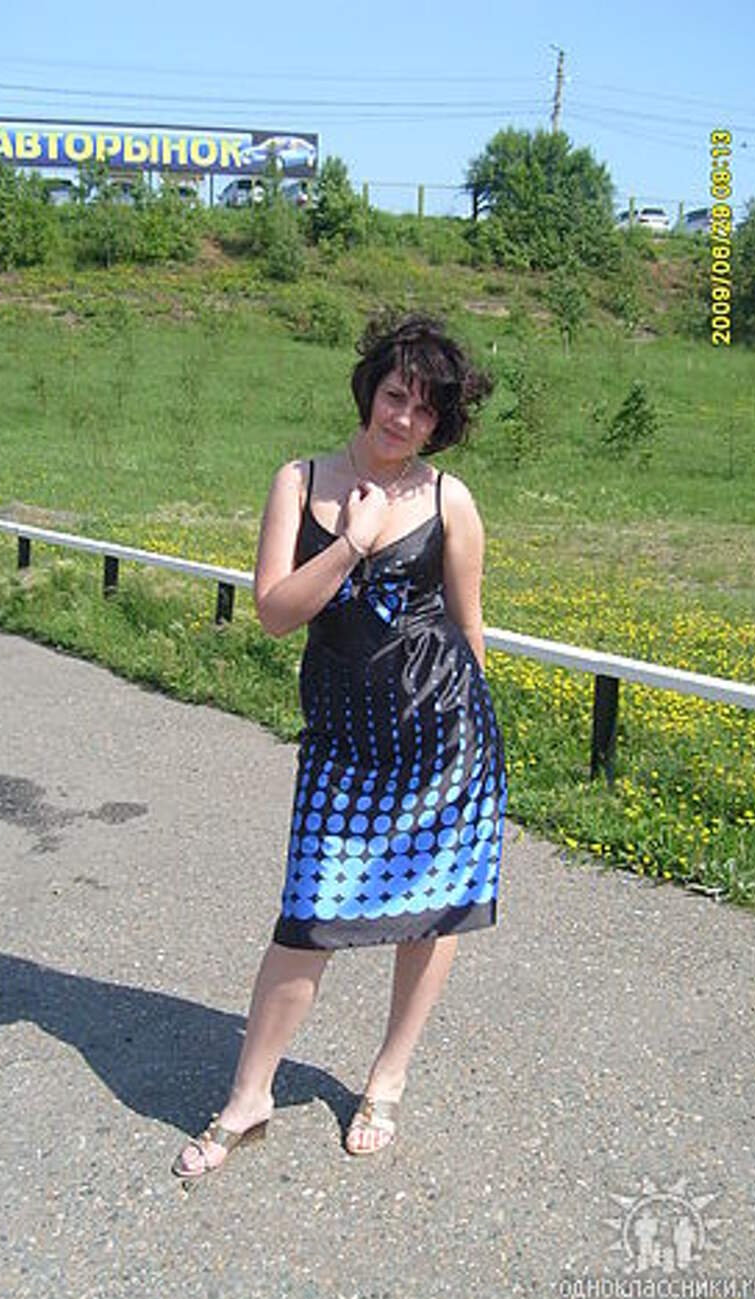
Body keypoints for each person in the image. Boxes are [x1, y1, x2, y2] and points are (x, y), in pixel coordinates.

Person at [172, 312, 507, 1183]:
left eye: (426, 409)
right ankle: (249, 1098)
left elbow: (469, 629)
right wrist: (353, 542)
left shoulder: (450, 500)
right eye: (396, 395)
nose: (404, 419)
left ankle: (387, 1077)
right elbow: (275, 611)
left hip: (445, 740)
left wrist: (480, 753)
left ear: (440, 422)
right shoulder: (301, 480)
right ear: (369, 390)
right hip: (343, 747)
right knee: (308, 919)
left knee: (435, 909)